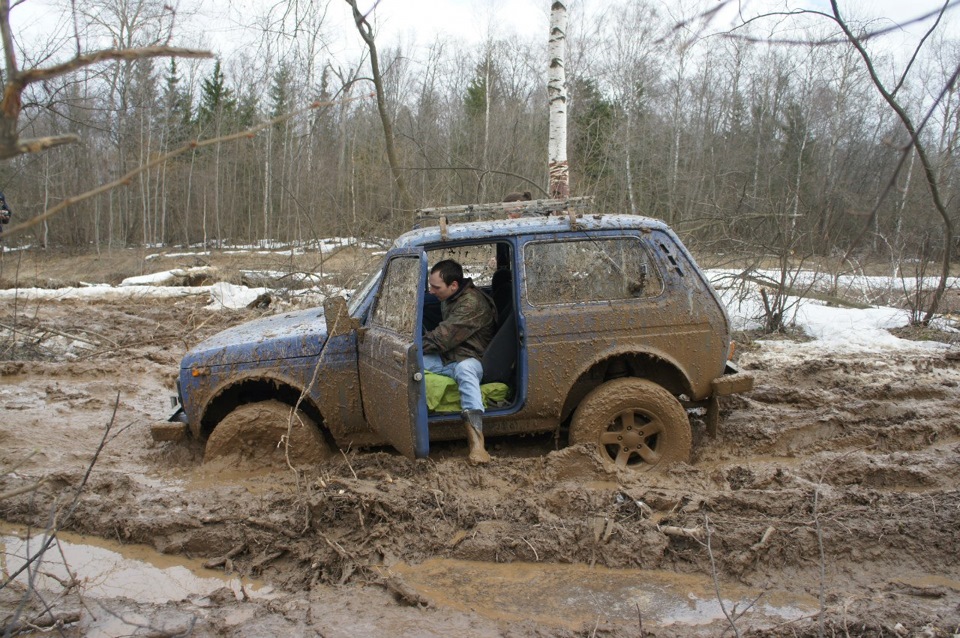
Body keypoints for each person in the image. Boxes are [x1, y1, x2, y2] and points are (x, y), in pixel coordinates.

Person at [423, 259, 497, 464]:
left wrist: (411, 346)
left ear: (453, 285)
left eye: (436, 287)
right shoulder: (450, 297)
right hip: (450, 356)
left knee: (465, 370)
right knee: (411, 362)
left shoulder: (471, 303)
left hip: (473, 359)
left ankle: (477, 444)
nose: (431, 291)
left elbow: (441, 339)